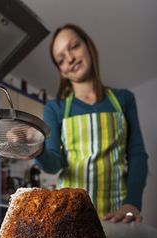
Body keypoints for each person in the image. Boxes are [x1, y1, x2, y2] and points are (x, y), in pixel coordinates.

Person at [35, 23, 148, 223]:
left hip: (118, 215)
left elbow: (137, 154)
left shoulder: (124, 99)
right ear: (61, 71)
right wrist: (36, 149)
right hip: (71, 216)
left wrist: (133, 203)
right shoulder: (55, 108)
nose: (69, 58)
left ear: (88, 46)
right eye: (61, 59)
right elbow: (54, 163)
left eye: (74, 46)